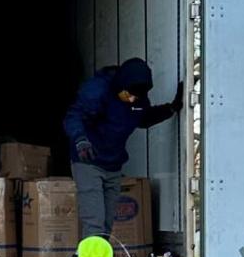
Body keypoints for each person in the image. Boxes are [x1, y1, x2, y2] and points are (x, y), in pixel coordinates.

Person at [63, 58, 183, 237]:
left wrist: (171, 109)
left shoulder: (136, 101)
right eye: (129, 94)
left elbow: (142, 118)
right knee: (94, 224)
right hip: (88, 161)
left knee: (106, 227)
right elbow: (74, 116)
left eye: (137, 97)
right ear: (120, 84)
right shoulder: (98, 90)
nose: (132, 99)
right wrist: (80, 139)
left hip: (113, 166)